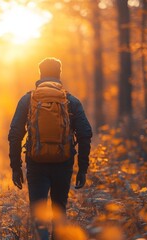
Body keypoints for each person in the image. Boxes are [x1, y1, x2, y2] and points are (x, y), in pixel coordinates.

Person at [8, 57, 92, 239]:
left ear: (40, 74)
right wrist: (82, 168)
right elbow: (85, 134)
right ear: (59, 74)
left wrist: (15, 166)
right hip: (63, 162)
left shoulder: (27, 99)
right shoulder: (71, 100)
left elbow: (15, 134)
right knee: (59, 211)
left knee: (38, 212)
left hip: (36, 163)